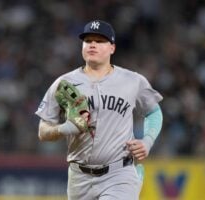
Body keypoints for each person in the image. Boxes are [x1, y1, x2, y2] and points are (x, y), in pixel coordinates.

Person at [35, 20, 163, 200]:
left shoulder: (132, 80)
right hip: (79, 178)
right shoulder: (64, 83)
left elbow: (153, 112)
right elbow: (43, 131)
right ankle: (136, 181)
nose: (92, 44)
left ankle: (132, 181)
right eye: (88, 40)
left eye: (100, 40)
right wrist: (66, 128)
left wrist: (147, 141)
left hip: (118, 173)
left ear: (112, 48)